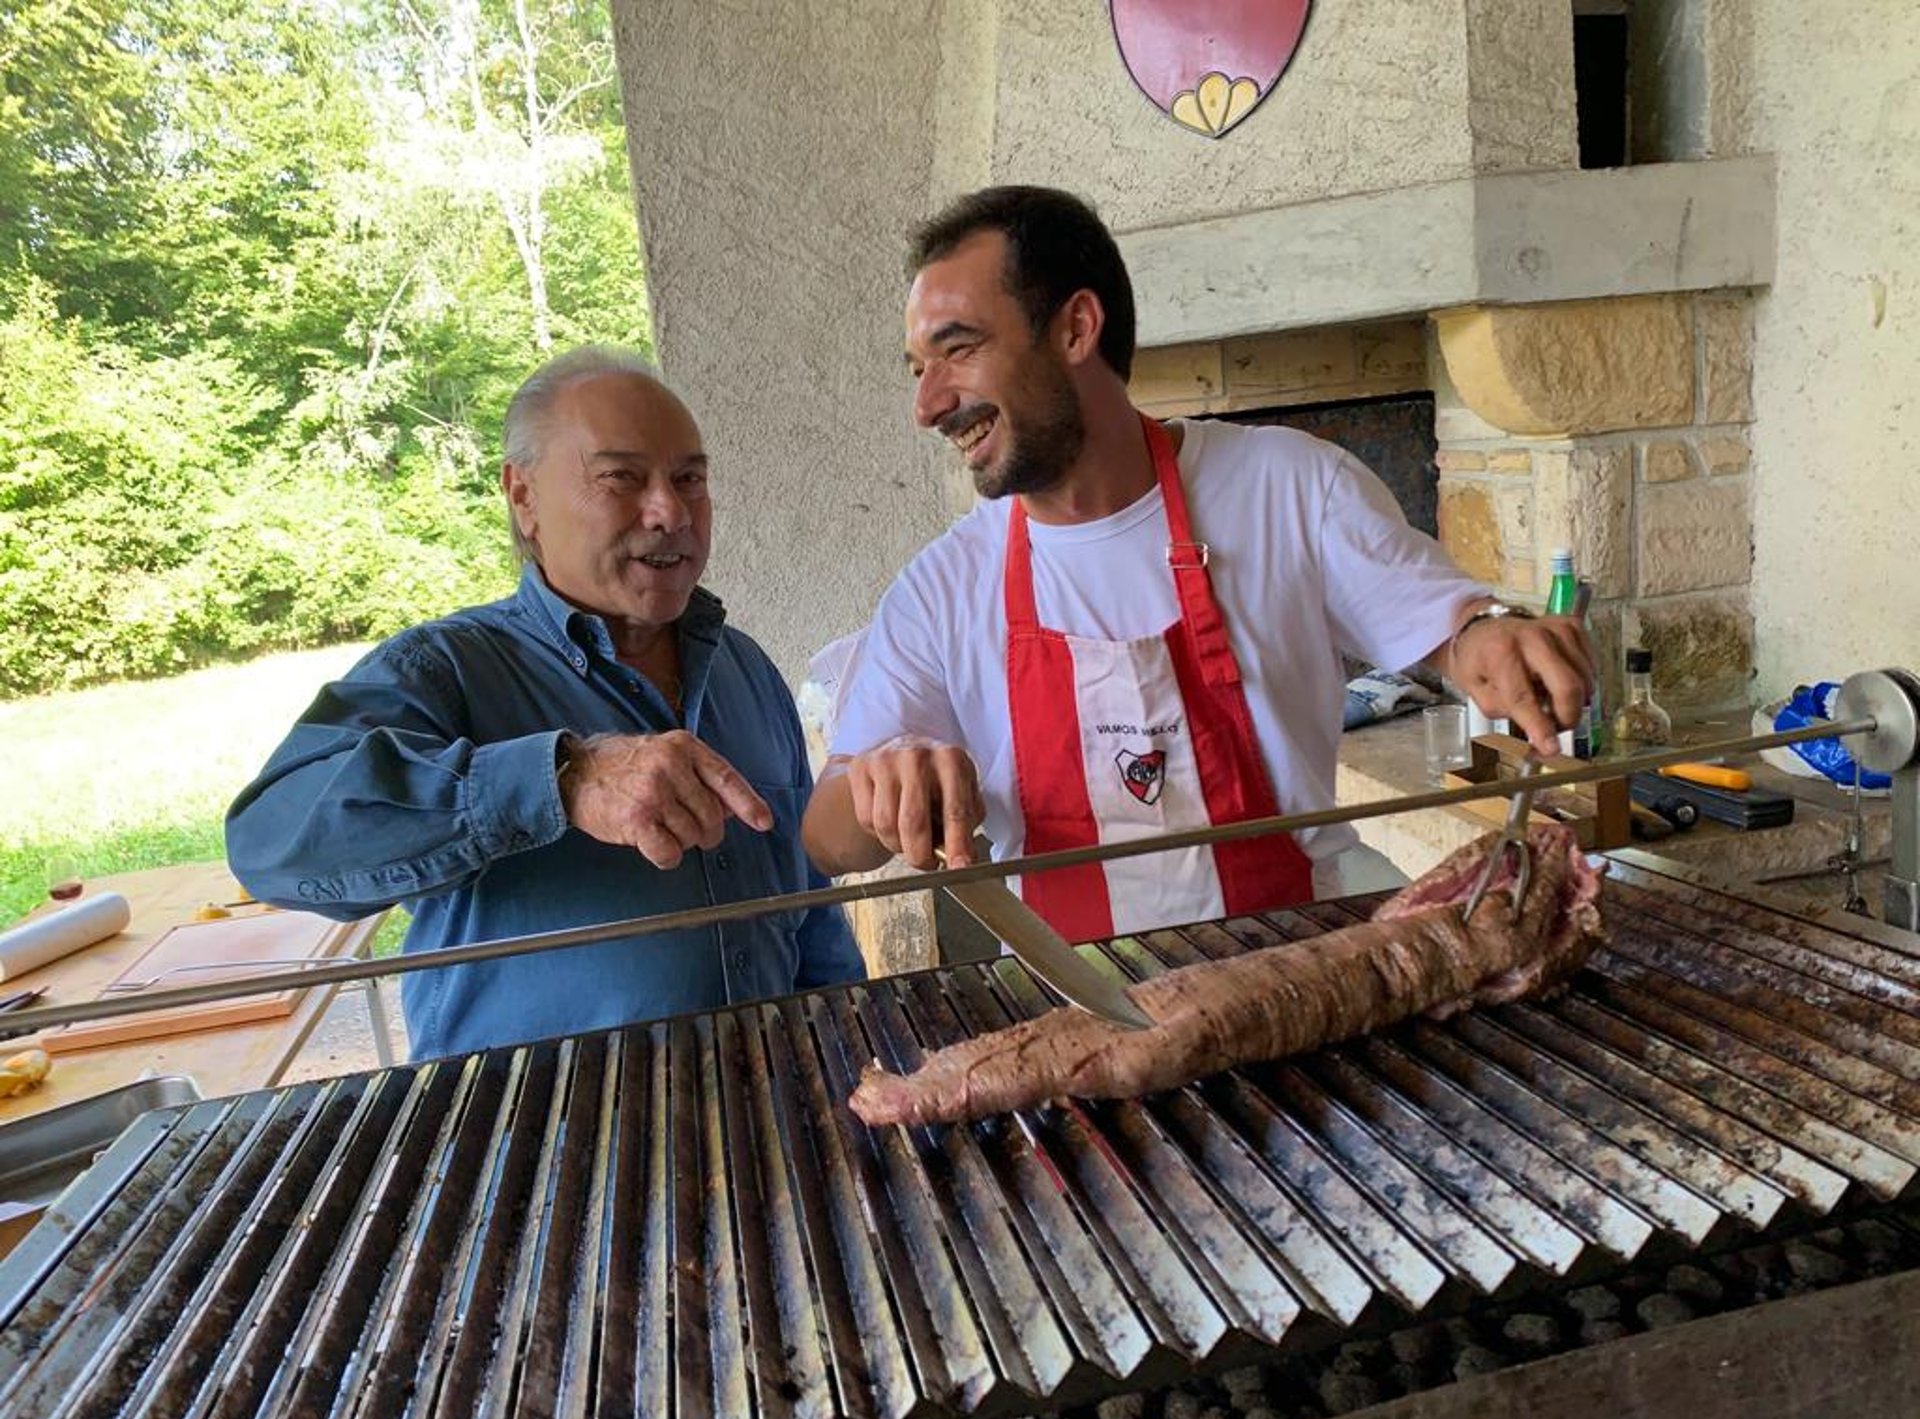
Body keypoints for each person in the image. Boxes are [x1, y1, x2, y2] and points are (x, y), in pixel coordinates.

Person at [802, 186, 1593, 943]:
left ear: (1077, 328)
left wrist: (1491, 635)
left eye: (959, 351)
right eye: (918, 369)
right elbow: (827, 839)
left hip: (1301, 970)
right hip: (1074, 1010)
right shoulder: (943, 587)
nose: (929, 404)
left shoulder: (1289, 486)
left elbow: (1454, 632)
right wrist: (876, 788)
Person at [228, 346, 863, 1058]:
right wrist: (565, 778)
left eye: (690, 479)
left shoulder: (746, 668)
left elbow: (806, 911)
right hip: (545, 1146)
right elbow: (270, 843)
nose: (670, 511)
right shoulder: (445, 670)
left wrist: (853, 1051)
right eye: (622, 478)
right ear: (523, 498)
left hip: (768, 1126)